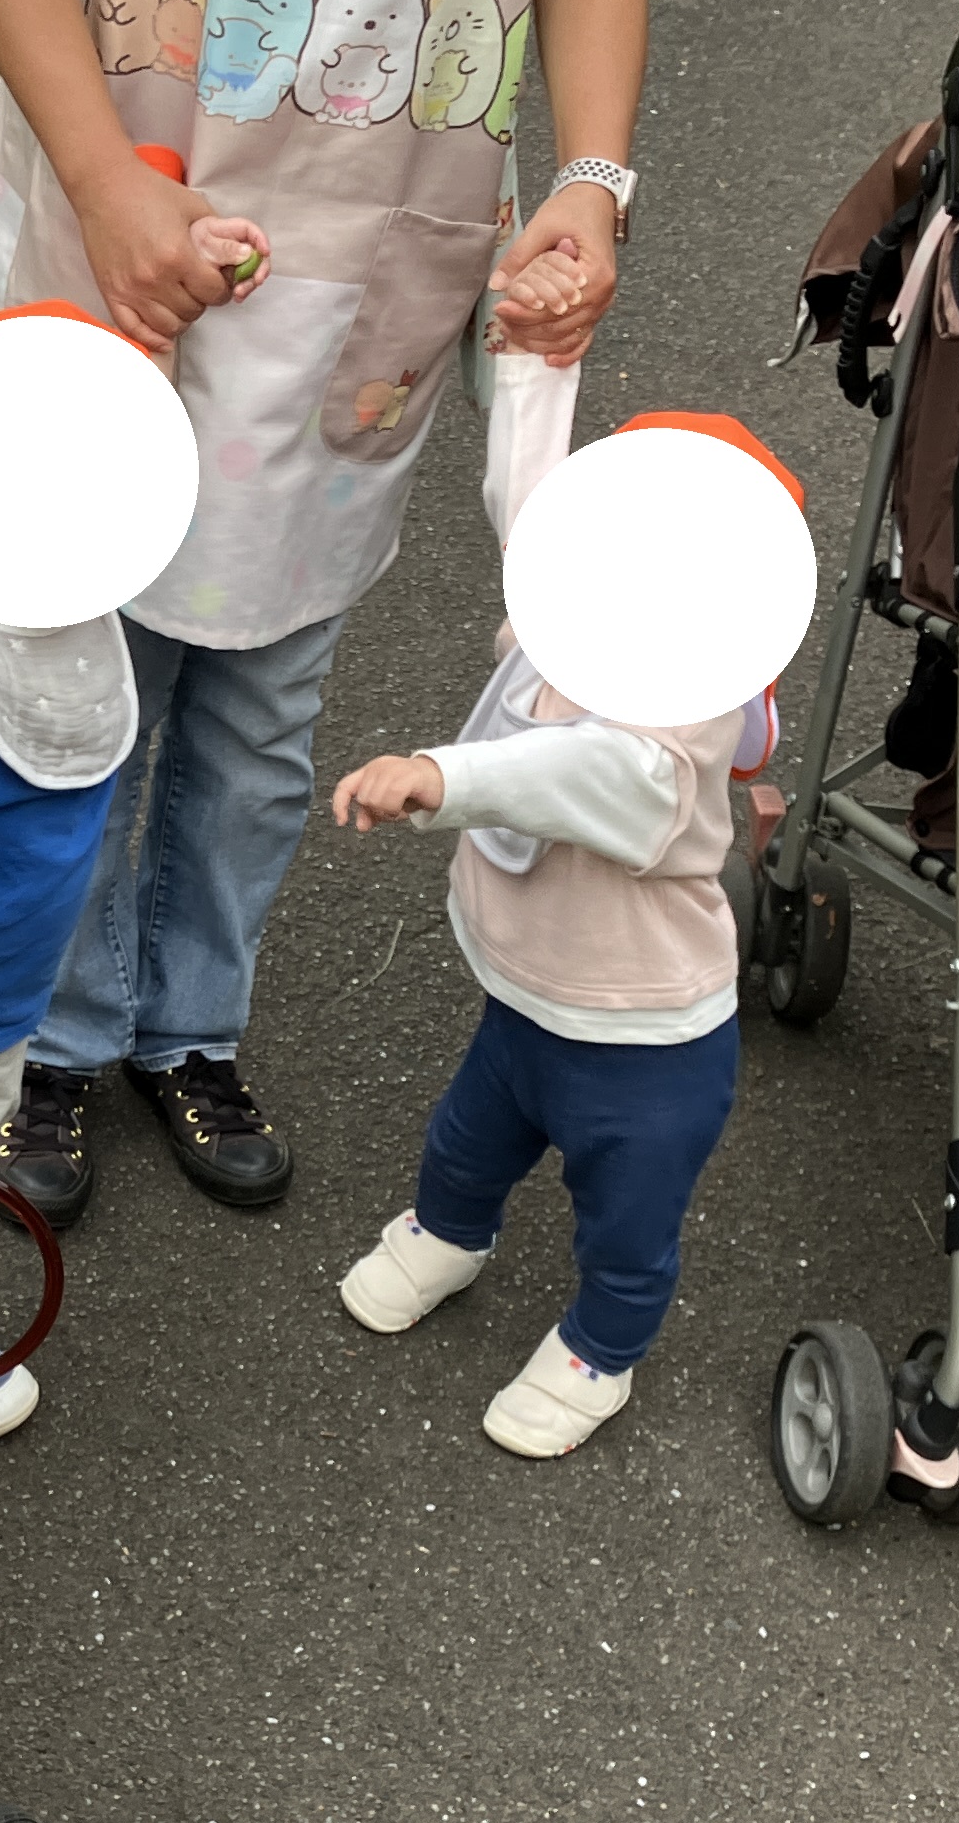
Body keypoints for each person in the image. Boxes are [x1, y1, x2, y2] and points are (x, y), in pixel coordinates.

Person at [0, 0, 653, 1227]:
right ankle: (50, 1037)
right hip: (121, 199)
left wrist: (592, 181)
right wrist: (100, 181)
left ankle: (190, 1024)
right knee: (77, 689)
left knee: (263, 713)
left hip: (374, 251)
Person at [322, 412, 795, 1460]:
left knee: (627, 1214)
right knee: (466, 1141)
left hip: (645, 1039)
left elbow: (584, 771)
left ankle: (601, 1348)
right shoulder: (574, 635)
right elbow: (525, 564)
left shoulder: (680, 719)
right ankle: (449, 1233)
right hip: (527, 994)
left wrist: (442, 777)